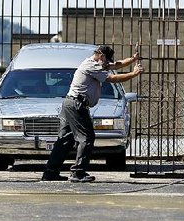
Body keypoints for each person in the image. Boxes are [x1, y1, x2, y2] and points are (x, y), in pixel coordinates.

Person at [41, 45, 143, 182]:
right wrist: (134, 74)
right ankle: (78, 172)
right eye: (107, 60)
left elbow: (117, 65)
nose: (108, 63)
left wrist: (132, 59)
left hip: (70, 104)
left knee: (65, 140)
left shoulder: (98, 64)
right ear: (101, 56)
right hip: (77, 105)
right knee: (87, 138)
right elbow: (112, 79)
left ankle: (50, 172)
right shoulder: (92, 66)